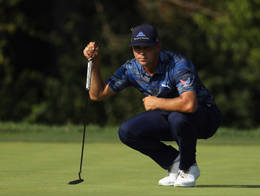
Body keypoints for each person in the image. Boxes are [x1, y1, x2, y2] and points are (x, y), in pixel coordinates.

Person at [83, 24, 222, 187]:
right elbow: (97, 94)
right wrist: (95, 62)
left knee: (178, 118)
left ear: (157, 46)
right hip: (170, 116)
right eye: (137, 48)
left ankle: (188, 167)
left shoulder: (178, 64)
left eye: (146, 47)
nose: (141, 53)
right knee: (128, 131)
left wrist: (157, 102)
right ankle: (174, 162)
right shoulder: (131, 68)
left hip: (205, 116)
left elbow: (190, 104)